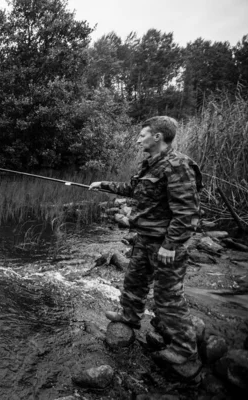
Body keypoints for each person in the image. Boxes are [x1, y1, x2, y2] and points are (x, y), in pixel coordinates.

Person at [90, 116, 202, 367]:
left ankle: (185, 349)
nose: (139, 138)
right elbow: (133, 189)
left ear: (158, 137)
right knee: (134, 280)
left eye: (143, 134)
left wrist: (170, 245)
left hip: (165, 244)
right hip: (144, 237)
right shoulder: (149, 164)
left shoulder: (178, 165)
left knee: (167, 297)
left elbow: (187, 213)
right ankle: (130, 317)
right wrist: (102, 185)